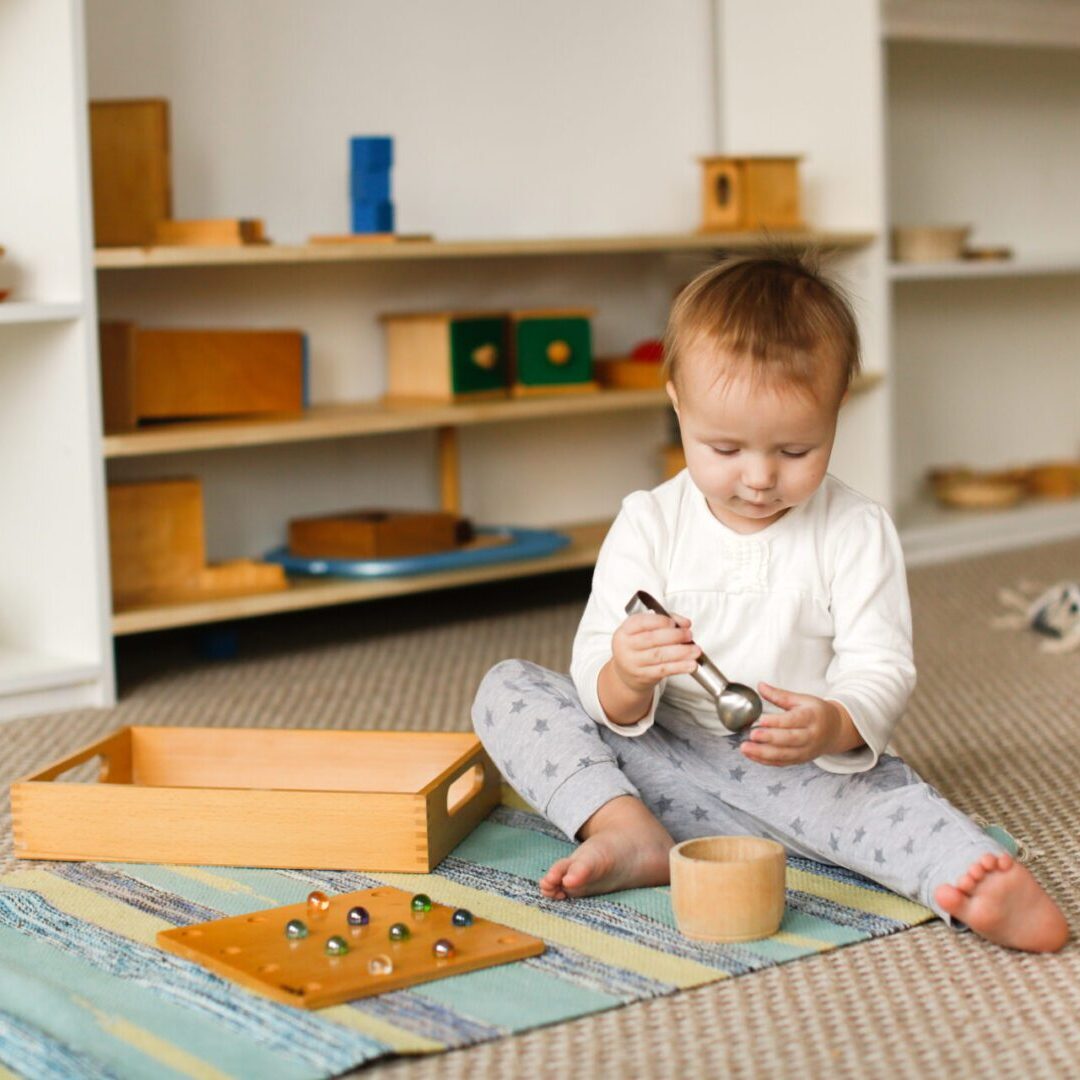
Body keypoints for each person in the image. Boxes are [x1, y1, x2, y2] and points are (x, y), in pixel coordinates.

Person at [472, 253, 1068, 953]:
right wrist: (627, 675)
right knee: (510, 689)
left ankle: (963, 876)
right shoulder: (649, 521)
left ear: (836, 409)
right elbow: (598, 689)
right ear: (677, 405)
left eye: (795, 449)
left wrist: (833, 723)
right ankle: (624, 829)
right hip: (653, 759)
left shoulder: (855, 529)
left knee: (886, 809)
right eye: (723, 447)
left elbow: (881, 665)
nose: (757, 478)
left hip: (798, 771)